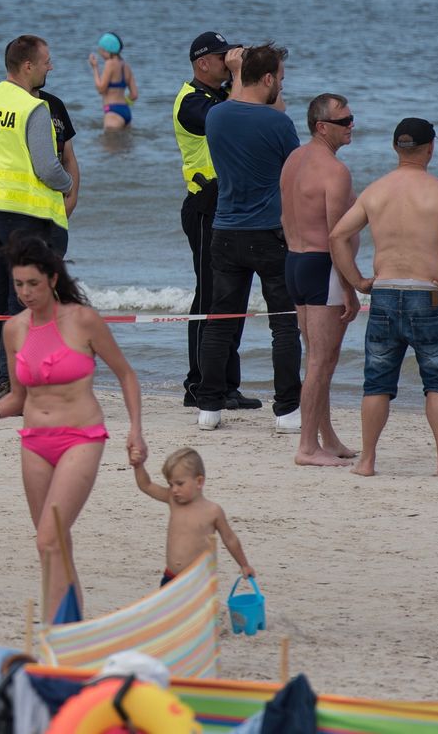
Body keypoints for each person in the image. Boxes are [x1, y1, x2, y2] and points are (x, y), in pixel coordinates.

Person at [0, 238, 146, 622]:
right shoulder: (14, 330)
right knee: (52, 544)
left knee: (48, 537)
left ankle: (56, 629)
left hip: (82, 438)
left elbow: (126, 374)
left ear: (52, 279)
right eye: (18, 285)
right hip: (34, 443)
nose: (25, 293)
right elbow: (17, 397)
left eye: (33, 284)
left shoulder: (83, 320)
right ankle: (67, 626)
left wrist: (136, 429)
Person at [330, 118, 438, 478]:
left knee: (377, 382)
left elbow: (337, 236)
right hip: (426, 296)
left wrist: (358, 281)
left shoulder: (375, 192)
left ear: (396, 149)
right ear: (431, 148)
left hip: (383, 294)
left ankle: (366, 461)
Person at [0, 35, 73, 411]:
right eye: (46, 61)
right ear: (27, 66)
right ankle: (22, 389)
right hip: (28, 217)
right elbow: (47, 167)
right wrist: (68, 185)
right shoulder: (32, 107)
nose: (49, 67)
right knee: (24, 301)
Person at [193, 43, 301, 432]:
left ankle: (208, 407)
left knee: (220, 321)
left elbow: (241, 102)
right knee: (284, 324)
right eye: (281, 79)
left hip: (225, 230)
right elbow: (295, 173)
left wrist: (241, 73)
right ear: (269, 79)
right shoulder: (279, 124)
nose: (282, 86)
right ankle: (287, 410)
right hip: (269, 233)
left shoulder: (217, 117)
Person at [172, 32, 253, 414]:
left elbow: (254, 112)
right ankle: (199, 384)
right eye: (223, 58)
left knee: (233, 298)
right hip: (205, 208)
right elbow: (228, 123)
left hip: (232, 208)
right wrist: (238, 76)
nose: (227, 63)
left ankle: (227, 385)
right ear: (203, 62)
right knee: (209, 297)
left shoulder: (221, 96)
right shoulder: (190, 103)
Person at [279, 93, 359, 466]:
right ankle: (307, 447)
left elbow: (283, 218)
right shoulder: (335, 171)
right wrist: (350, 287)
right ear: (321, 126)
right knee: (321, 361)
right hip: (321, 265)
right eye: (343, 121)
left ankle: (326, 438)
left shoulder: (294, 159)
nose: (351, 126)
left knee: (318, 358)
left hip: (295, 262)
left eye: (351, 119)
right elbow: (336, 236)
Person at [131, 449, 253, 588]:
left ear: (199, 481)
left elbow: (230, 539)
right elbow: (146, 486)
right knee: (169, 610)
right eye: (171, 484)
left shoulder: (213, 511)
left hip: (198, 582)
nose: (174, 489)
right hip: (170, 577)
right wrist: (138, 466)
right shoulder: (173, 500)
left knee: (199, 611)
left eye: (180, 483)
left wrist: (244, 564)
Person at [87, 32, 138, 129]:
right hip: (125, 111)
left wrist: (95, 68)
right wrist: (123, 102)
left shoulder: (110, 63)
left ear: (107, 50)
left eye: (101, 50)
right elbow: (134, 95)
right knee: (126, 143)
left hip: (113, 112)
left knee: (109, 144)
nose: (100, 53)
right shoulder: (126, 66)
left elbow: (101, 89)